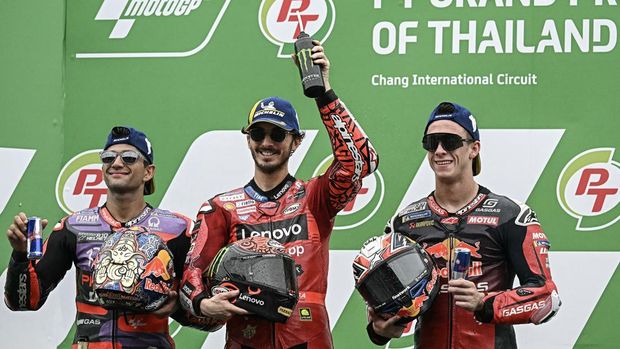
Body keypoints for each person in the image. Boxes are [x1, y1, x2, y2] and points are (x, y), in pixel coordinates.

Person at [180, 43, 379, 348]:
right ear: (248, 140)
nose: (267, 143)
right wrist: (202, 304)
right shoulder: (221, 208)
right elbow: (192, 272)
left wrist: (324, 93)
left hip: (308, 339)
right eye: (258, 134)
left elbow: (362, 162)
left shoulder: (316, 197)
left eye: (277, 134)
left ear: (296, 142)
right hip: (246, 339)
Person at [367, 102, 561, 348]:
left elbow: (546, 296)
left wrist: (484, 304)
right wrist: (381, 328)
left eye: (450, 141)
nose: (439, 150)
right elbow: (394, 311)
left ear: (474, 149)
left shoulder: (510, 215)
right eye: (431, 142)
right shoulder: (405, 222)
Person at [4, 126, 198, 349]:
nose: (116, 163)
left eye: (128, 157)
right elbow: (24, 301)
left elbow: (208, 317)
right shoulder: (75, 226)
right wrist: (20, 254)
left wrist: (176, 308)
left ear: (148, 171)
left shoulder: (176, 229)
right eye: (108, 158)